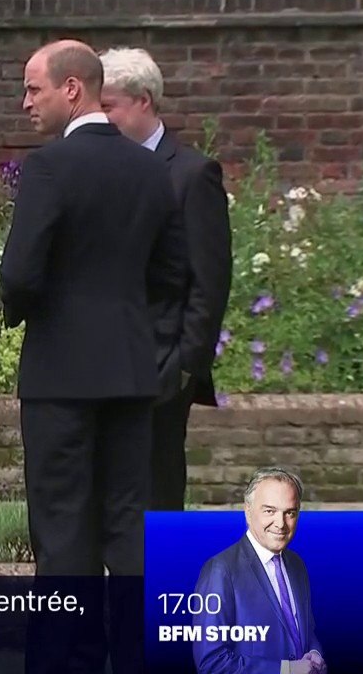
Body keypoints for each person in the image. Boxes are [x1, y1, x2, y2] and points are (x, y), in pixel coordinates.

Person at [0, 39, 189, 674]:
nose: (25, 102)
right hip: (133, 376)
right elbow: (171, 277)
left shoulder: (50, 168)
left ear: (72, 89)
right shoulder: (150, 169)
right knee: (128, 528)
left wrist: (24, 312)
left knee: (62, 531)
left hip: (61, 377)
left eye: (34, 89)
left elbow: (20, 273)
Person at [99, 46, 234, 512]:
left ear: (143, 101)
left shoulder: (192, 175)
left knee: (157, 491)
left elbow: (210, 280)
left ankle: (166, 584)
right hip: (106, 360)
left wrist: (183, 366)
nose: (102, 118)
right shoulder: (102, 168)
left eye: (108, 106)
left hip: (162, 368)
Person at [193, 468, 325, 674]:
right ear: (248, 511)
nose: (280, 524)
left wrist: (315, 655)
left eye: (290, 512)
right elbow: (211, 662)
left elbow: (306, 632)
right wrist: (287, 670)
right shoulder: (221, 570)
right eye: (269, 511)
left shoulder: (297, 565)